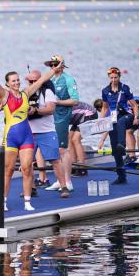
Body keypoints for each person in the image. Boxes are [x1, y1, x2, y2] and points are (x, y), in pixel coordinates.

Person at [0, 62, 65, 211]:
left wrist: (54, 71)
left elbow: (42, 80)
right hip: (11, 137)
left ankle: (27, 202)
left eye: (18, 80)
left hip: (26, 138)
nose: (16, 82)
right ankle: (3, 202)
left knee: (26, 169)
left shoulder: (26, 93)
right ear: (8, 84)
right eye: (13, 81)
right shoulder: (5, 94)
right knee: (9, 170)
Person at [25, 69, 70, 198]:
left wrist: (35, 110)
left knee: (55, 160)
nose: (33, 83)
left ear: (41, 81)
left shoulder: (47, 92)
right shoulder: (25, 93)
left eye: (35, 81)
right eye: (31, 81)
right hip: (29, 133)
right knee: (27, 163)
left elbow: (51, 109)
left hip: (47, 132)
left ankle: (64, 186)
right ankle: (31, 188)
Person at [43, 55, 78, 192]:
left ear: (62, 65)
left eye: (55, 64)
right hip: (50, 118)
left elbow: (75, 101)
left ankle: (68, 182)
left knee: (63, 150)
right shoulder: (50, 79)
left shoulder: (68, 79)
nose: (53, 67)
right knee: (55, 150)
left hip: (62, 117)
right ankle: (59, 180)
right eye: (51, 65)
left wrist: (57, 102)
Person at [99, 67, 139, 184]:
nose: (113, 79)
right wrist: (100, 121)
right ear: (109, 78)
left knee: (121, 122)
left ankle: (123, 144)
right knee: (115, 150)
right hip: (113, 119)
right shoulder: (105, 91)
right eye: (111, 78)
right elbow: (105, 107)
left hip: (127, 116)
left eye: (115, 77)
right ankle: (121, 176)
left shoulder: (125, 88)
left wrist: (136, 117)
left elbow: (134, 105)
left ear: (119, 77)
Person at [68, 101, 98, 176]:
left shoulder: (58, 111)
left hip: (90, 114)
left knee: (75, 139)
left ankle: (82, 168)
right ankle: (74, 165)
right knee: (68, 139)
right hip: (79, 117)